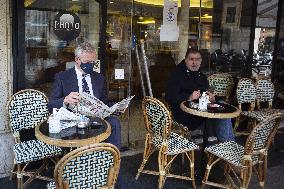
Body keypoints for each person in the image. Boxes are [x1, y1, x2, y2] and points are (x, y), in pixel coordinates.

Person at [48, 42, 121, 149]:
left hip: (96, 118)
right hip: (74, 120)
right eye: (87, 62)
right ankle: (79, 160)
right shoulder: (62, 78)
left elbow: (104, 102)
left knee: (114, 122)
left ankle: (112, 159)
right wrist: (65, 100)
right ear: (77, 60)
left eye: (93, 62)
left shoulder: (99, 78)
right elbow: (51, 105)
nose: (91, 65)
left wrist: (115, 108)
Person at [165, 48, 235, 142]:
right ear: (186, 60)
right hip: (183, 114)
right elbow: (169, 97)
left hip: (200, 111)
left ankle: (225, 146)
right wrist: (189, 97)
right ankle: (227, 147)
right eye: (191, 59)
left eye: (197, 59)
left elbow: (205, 92)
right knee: (221, 117)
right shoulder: (177, 74)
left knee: (222, 109)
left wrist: (212, 98)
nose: (194, 62)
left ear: (201, 61)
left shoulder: (200, 75)